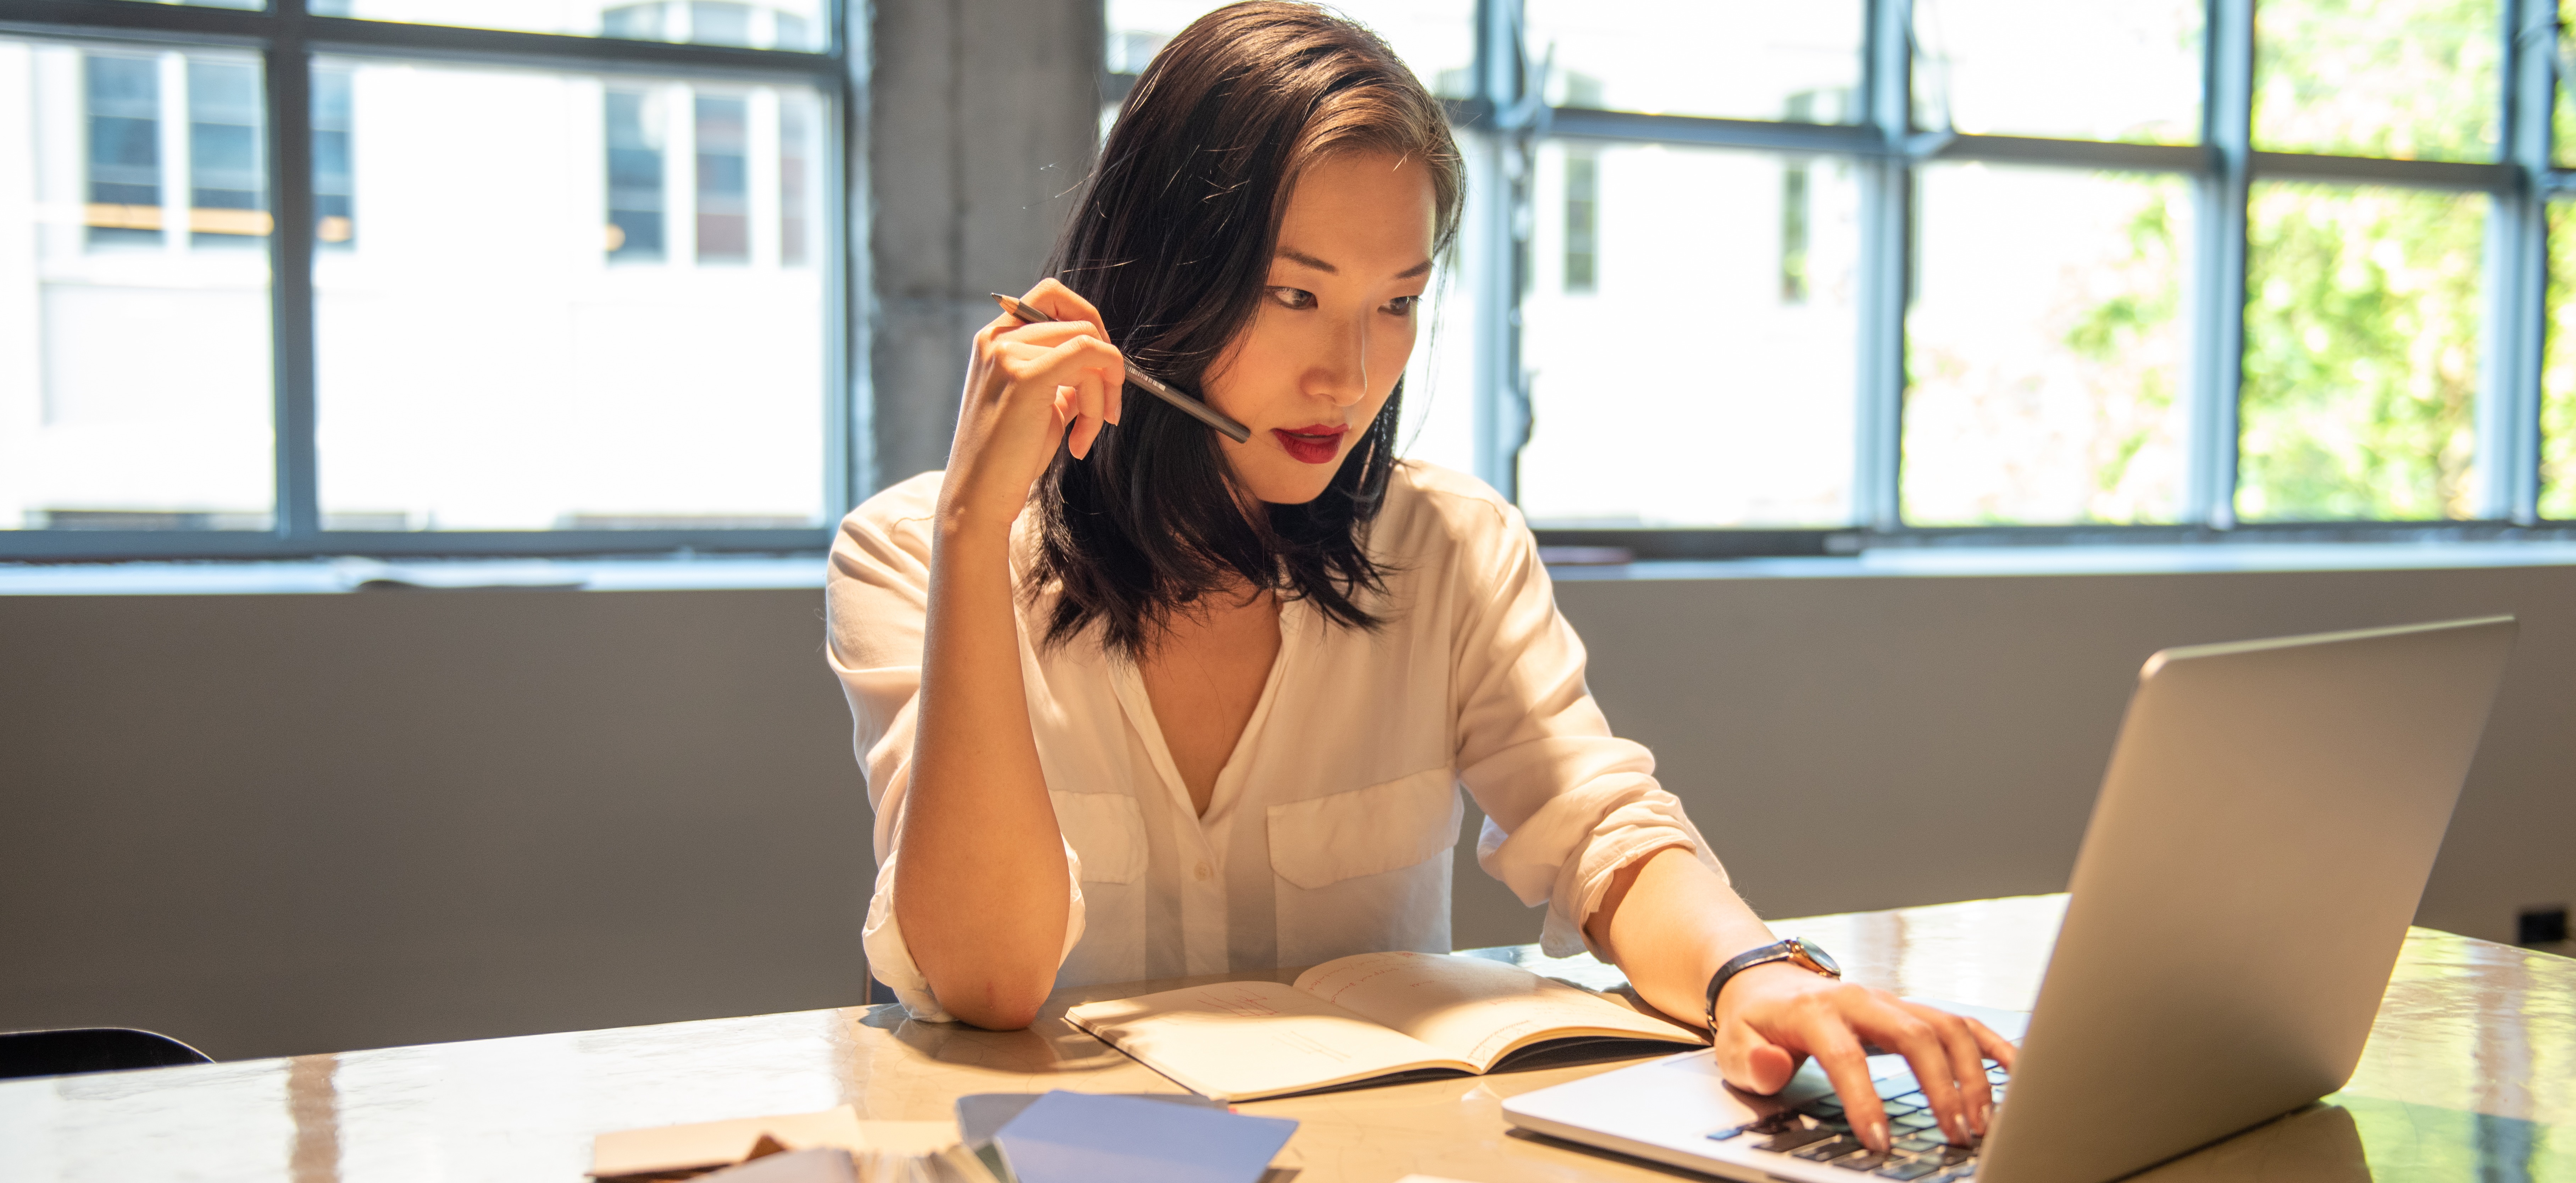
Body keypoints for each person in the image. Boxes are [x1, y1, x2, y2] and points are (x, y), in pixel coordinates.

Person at [824, 1, 2012, 1156]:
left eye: (1396, 304)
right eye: (1296, 295)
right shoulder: (914, 552)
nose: (1349, 376)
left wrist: (1752, 971)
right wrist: (978, 531)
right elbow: (985, 981)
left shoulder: (1450, 545)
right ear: (1157, 283)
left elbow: (1596, 820)